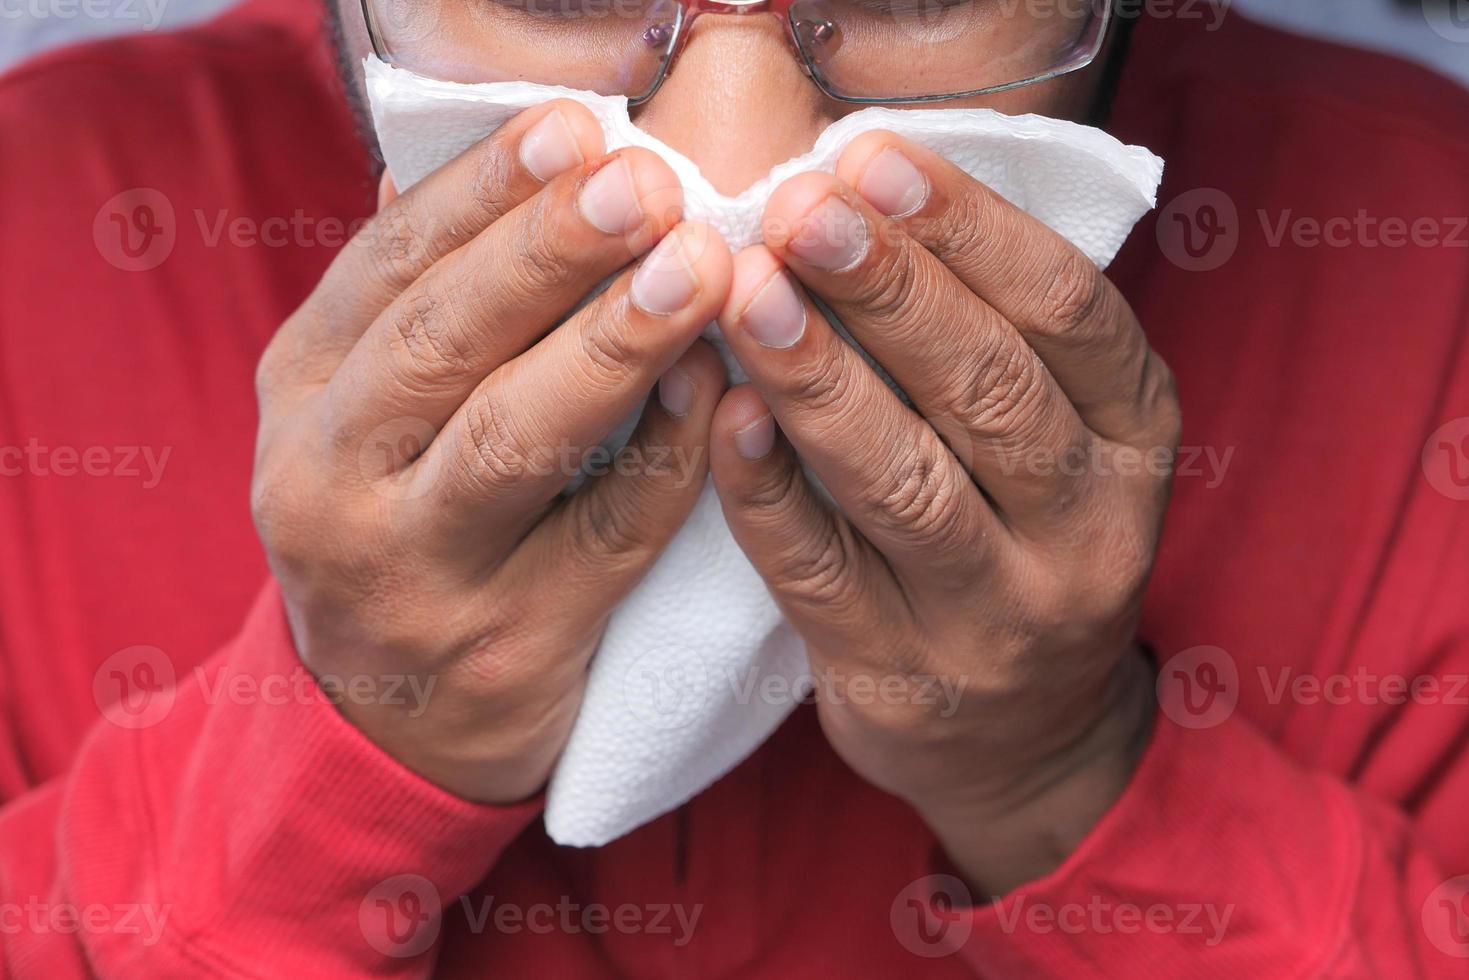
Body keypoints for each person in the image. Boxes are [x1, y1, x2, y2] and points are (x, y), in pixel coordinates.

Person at [0, 0, 1466, 975]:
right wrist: (321, 776)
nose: (731, 165)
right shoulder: (41, 230)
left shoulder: (1426, 268)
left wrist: (1066, 778)